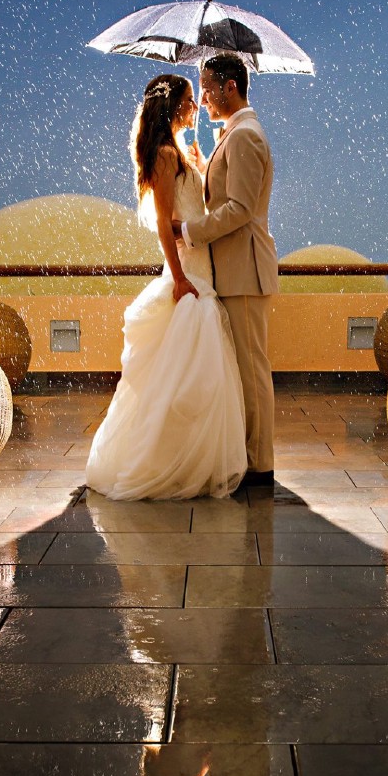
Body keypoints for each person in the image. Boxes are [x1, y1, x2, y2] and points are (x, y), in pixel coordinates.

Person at [85, 73, 246, 500]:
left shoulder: (180, 153)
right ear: (175, 107)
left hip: (203, 268)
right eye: (191, 101)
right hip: (188, 274)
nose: (197, 107)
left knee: (195, 374)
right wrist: (177, 279)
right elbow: (163, 224)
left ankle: (191, 456)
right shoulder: (162, 155)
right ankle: (169, 460)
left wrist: (198, 159)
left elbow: (195, 208)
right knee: (183, 374)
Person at [173, 52, 277, 487]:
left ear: (229, 86)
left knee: (252, 370)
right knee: (243, 368)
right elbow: (227, 194)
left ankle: (260, 465)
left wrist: (189, 231)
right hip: (233, 270)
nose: (202, 97)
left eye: (207, 87)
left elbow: (239, 209)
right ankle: (249, 456)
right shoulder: (231, 136)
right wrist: (202, 164)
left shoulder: (245, 136)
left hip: (245, 271)